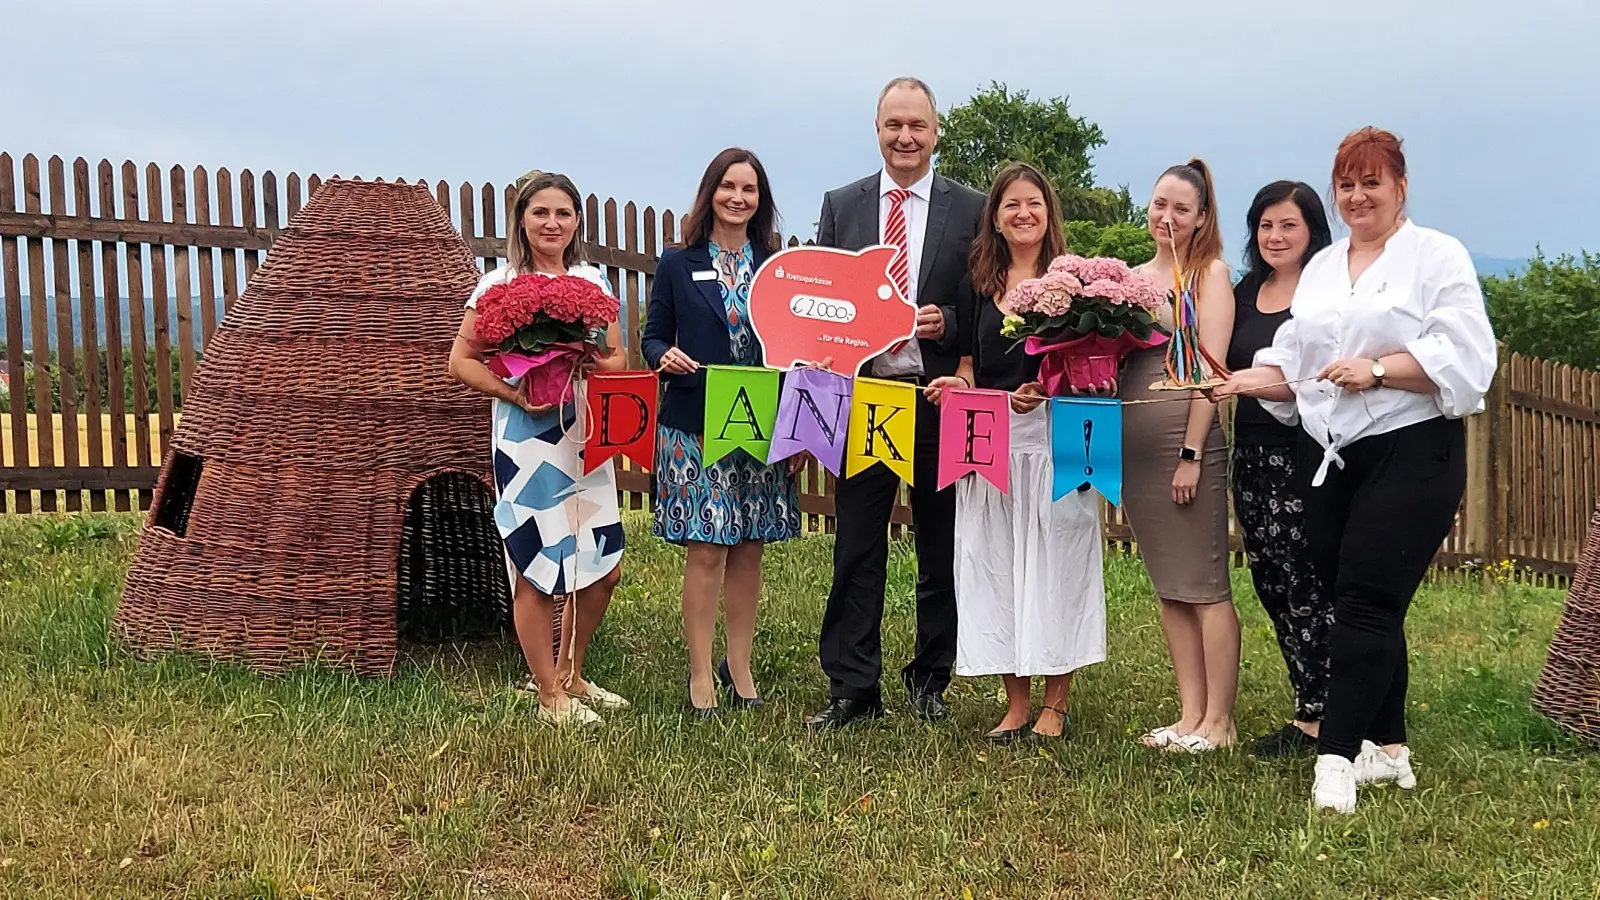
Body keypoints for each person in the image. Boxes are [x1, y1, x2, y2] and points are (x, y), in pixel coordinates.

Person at [1214, 127, 1495, 812]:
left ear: (1400, 186)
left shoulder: (1436, 256)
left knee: (1365, 601)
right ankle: (1390, 750)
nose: (1358, 195)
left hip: (1411, 447)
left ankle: (1335, 758)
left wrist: (1378, 369)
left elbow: (1464, 354)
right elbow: (1294, 354)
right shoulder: (1323, 266)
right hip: (1330, 454)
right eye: (1347, 184)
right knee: (1358, 597)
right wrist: (1229, 381)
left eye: (1372, 182)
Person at [804, 76, 986, 729]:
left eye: (917, 126)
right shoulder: (842, 205)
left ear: (936, 132)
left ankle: (930, 677)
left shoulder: (972, 207)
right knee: (856, 543)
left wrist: (953, 322)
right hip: (867, 399)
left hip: (940, 398)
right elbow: (823, 300)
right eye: (893, 126)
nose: (905, 137)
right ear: (878, 130)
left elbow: (989, 302)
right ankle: (854, 686)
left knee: (941, 543)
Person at [924, 162, 1108, 742]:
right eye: (1010, 206)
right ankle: (1016, 703)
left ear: (1048, 212)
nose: (1023, 213)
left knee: (1058, 560)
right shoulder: (978, 281)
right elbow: (970, 365)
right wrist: (959, 385)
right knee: (993, 562)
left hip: (1056, 443)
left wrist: (1048, 392)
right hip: (990, 441)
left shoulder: (1074, 285)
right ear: (995, 219)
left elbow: (1092, 371)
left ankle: (1057, 703)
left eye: (1033, 203)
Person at [448, 171, 630, 727]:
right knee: (536, 564)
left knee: (602, 565)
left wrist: (586, 359)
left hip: (584, 433)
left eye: (564, 214)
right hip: (525, 442)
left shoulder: (592, 283)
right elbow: (460, 360)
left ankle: (574, 672)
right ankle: (548, 691)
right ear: (521, 221)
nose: (553, 223)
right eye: (541, 213)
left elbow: (618, 361)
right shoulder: (495, 286)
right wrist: (514, 392)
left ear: (577, 223)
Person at [641, 148, 803, 717]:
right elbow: (651, 337)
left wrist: (797, 433)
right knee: (707, 548)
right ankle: (700, 674)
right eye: (728, 186)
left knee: (750, 547)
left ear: (761, 201)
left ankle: (741, 668)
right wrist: (667, 356)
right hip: (695, 425)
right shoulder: (677, 263)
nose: (738, 198)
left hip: (762, 425)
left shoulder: (776, 267)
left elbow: (797, 353)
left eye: (750, 189)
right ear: (710, 192)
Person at [1121, 159, 1239, 754]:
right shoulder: (1131, 278)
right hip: (1133, 449)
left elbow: (1210, 373)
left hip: (1183, 442)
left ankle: (1220, 721)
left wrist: (1191, 453)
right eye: (1159, 204)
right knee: (1170, 585)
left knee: (1205, 584)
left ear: (1200, 218)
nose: (1166, 217)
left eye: (1181, 209)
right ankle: (1190, 714)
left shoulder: (1208, 275)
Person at [1226, 181, 1335, 757]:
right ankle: (1307, 706)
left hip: (1308, 456)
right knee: (1270, 582)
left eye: (1288, 225)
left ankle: (1330, 715)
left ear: (1312, 230)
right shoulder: (1247, 290)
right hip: (1252, 455)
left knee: (1309, 584)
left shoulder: (1324, 295)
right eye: (1266, 226)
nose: (1275, 236)